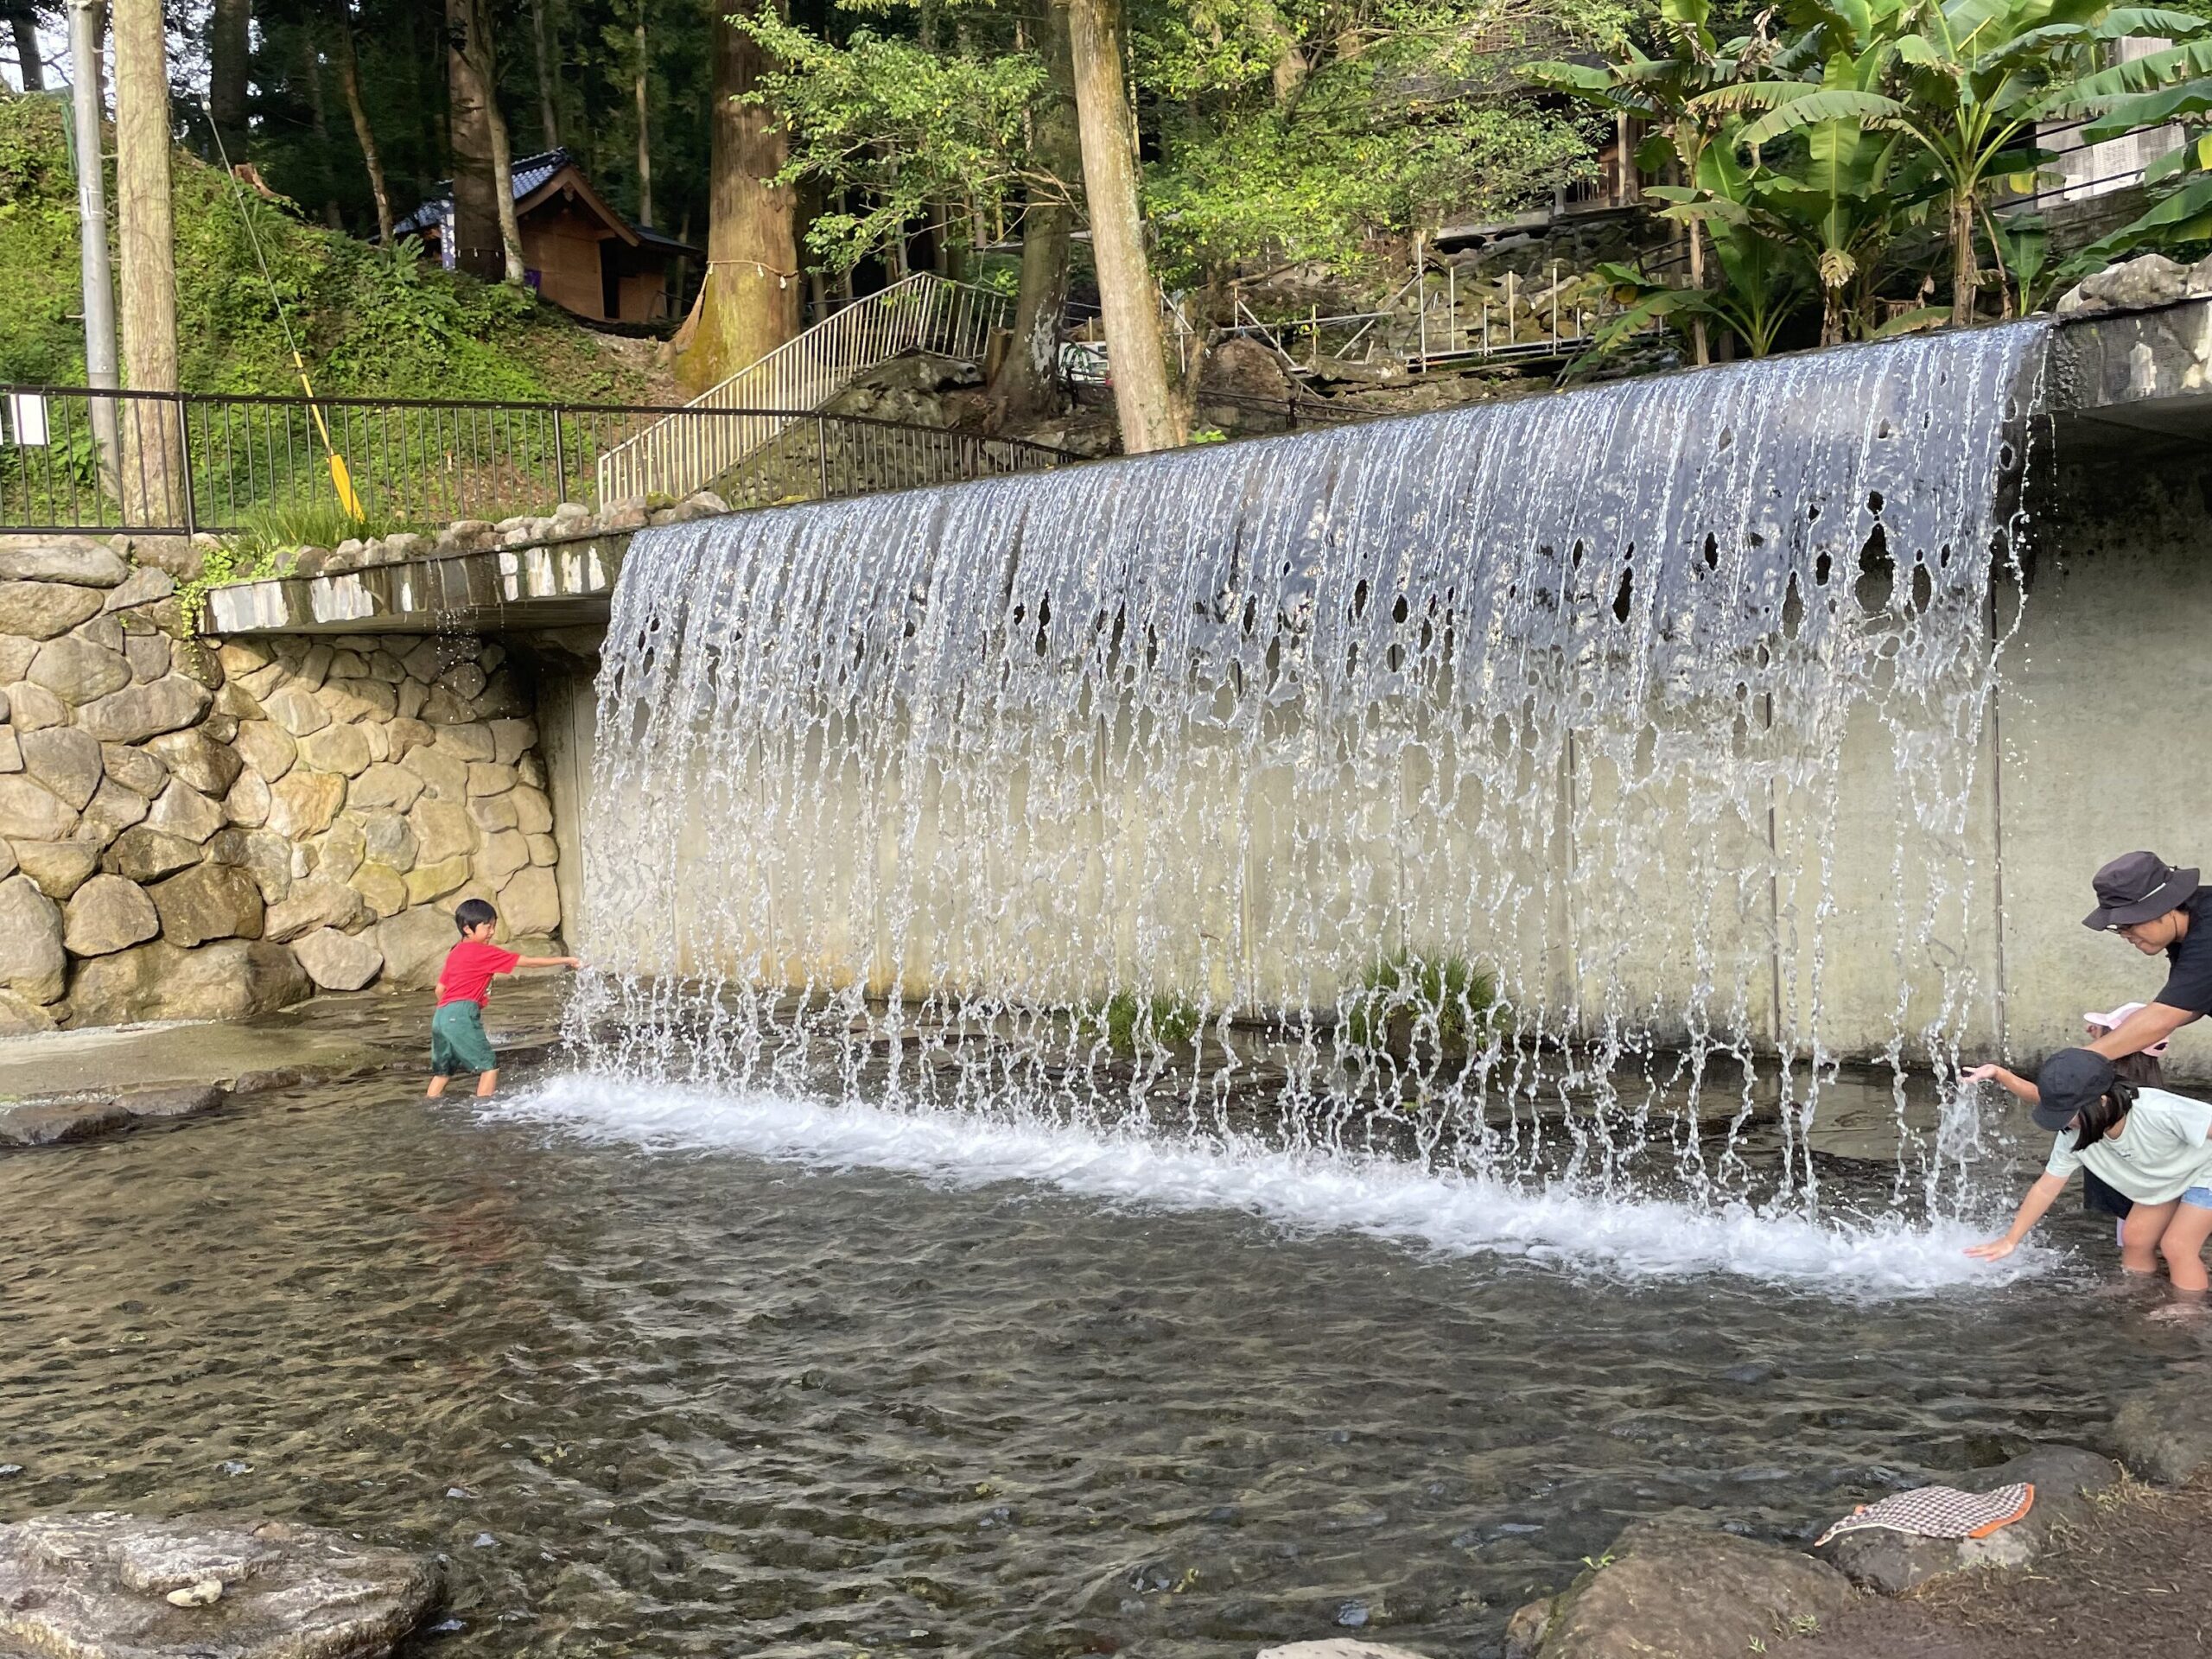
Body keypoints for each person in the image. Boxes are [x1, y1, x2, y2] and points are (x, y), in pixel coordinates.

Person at [1967, 1048, 2212, 1298]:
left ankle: (2189, 1311)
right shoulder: (2074, 1136)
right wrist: (2011, 1239)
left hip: (2206, 1171)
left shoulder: (2157, 1110)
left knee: (2177, 1246)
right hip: (2168, 1179)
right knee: (2135, 1238)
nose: (2062, 1123)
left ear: (2102, 1101)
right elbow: (2045, 1187)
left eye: (2066, 1115)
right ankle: (2139, 1291)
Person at [1964, 1005, 2170, 1242]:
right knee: (2157, 1245)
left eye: (2104, 1031)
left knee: (2139, 1246)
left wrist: (2001, 1075)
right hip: (2152, 1187)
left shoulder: (2103, 1089)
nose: (2089, 1031)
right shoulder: (2146, 1091)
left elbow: (2043, 1095)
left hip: (2141, 1190)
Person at [425, 898, 581, 1100]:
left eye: (493, 926)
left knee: (443, 1071)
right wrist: (566, 960)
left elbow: (440, 989)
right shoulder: (484, 952)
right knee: (489, 1066)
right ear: (467, 929)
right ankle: (486, 1112)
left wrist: (450, 1011)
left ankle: (430, 1105)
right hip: (461, 1013)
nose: (491, 932)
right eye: (487, 927)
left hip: (441, 1016)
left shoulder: (455, 952)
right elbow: (529, 962)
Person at [2077, 851, 2212, 1065]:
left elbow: (2164, 1018)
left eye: (2129, 924)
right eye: (2119, 928)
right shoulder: (2188, 926)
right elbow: (2191, 1003)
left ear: (2165, 906)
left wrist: (2078, 1062)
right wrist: (2121, 1029)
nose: (2125, 936)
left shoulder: (2207, 932)